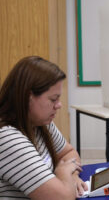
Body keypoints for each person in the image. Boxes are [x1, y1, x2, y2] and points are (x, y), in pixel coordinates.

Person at [0, 56, 88, 200]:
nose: (59, 105)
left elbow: (69, 153)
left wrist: (71, 178)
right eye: (53, 99)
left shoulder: (40, 123)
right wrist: (62, 174)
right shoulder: (8, 138)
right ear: (28, 97)